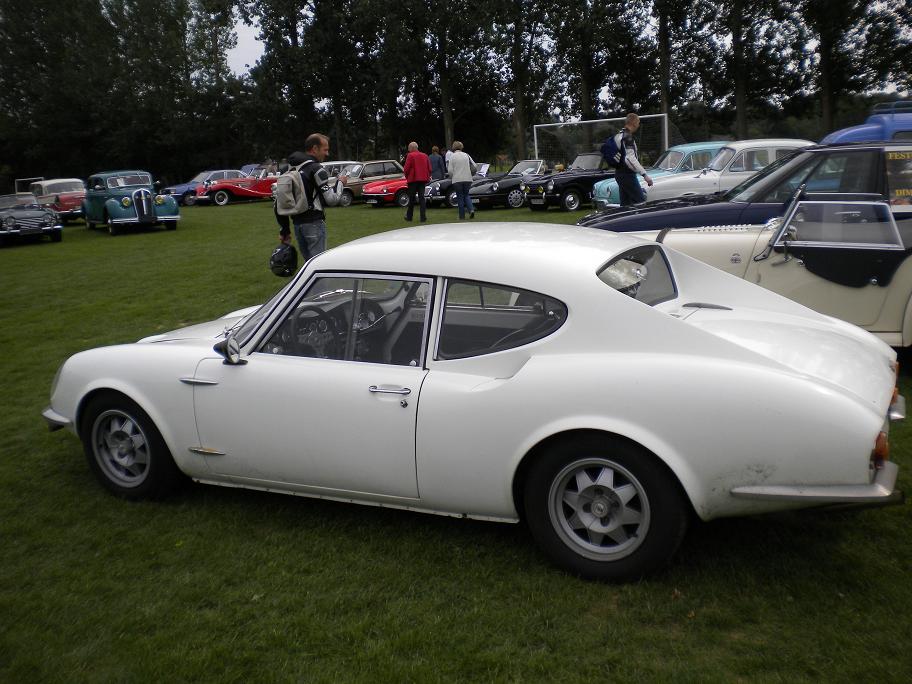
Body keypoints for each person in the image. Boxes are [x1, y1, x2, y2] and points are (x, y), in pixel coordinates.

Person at [275, 133, 348, 261]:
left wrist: (285, 230)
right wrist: (341, 183)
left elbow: (279, 203)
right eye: (325, 150)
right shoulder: (316, 168)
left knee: (308, 264)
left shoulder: (286, 169)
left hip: (297, 225)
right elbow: (332, 200)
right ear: (314, 148)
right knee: (318, 265)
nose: (327, 153)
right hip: (314, 223)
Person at [610, 113, 654, 206]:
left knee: (625, 205)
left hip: (619, 174)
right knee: (640, 202)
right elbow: (630, 158)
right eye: (638, 122)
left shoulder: (620, 135)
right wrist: (644, 175)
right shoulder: (628, 137)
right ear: (634, 123)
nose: (638, 125)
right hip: (627, 175)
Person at [403, 141, 432, 222]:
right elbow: (430, 168)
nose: (408, 150)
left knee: (411, 198)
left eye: (409, 148)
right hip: (422, 180)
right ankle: (423, 217)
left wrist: (407, 177)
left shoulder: (410, 155)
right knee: (422, 198)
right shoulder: (425, 155)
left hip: (413, 180)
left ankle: (409, 216)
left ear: (412, 148)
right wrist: (427, 176)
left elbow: (406, 169)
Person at [448, 141, 477, 219]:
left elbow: (450, 171)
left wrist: (452, 176)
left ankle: (462, 216)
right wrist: (471, 174)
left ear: (453, 147)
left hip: (457, 179)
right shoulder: (466, 155)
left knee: (460, 197)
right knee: (466, 195)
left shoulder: (452, 156)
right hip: (467, 179)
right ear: (461, 147)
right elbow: (475, 166)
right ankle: (471, 209)